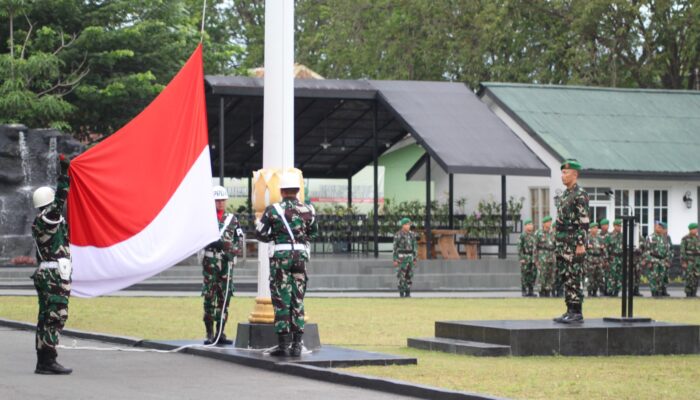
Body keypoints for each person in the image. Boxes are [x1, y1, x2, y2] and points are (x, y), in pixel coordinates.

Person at [256, 172, 318, 357]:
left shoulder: (272, 210)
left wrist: (276, 238)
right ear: (298, 191)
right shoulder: (309, 210)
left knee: (282, 299)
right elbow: (313, 234)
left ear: (281, 191)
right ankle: (297, 345)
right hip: (300, 259)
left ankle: (283, 345)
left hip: (280, 260)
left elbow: (260, 234)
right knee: (297, 299)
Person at [31, 154, 72, 374]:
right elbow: (59, 203)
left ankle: (43, 360)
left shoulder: (41, 221)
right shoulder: (48, 219)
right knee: (54, 318)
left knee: (45, 318)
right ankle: (48, 361)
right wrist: (64, 176)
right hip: (53, 278)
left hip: (49, 276)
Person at [201, 185, 243, 345]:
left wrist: (231, 251)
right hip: (210, 261)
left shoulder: (232, 220)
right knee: (209, 295)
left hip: (226, 262)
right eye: (217, 200)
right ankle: (209, 333)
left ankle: (221, 332)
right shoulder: (205, 219)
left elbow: (239, 240)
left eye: (222, 200)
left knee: (224, 296)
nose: (220, 203)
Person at [553, 159, 590, 323]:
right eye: (562, 172)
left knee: (574, 276)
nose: (562, 175)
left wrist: (581, 243)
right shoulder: (565, 194)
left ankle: (577, 311)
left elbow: (584, 221)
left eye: (565, 172)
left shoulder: (580, 194)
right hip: (562, 243)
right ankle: (569, 309)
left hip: (574, 243)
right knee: (566, 276)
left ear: (574, 174)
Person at [643, 221, 671, 297]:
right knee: (653, 277)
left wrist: (667, 260)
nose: (658, 228)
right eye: (657, 227)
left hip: (662, 261)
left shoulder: (665, 238)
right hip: (653, 260)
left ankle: (659, 292)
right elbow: (646, 251)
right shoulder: (650, 237)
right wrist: (649, 261)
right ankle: (654, 293)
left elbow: (668, 250)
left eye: (660, 228)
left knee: (661, 278)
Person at [393, 217, 417, 298]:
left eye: (409, 224)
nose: (408, 226)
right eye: (406, 224)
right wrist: (395, 259)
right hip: (401, 258)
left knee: (409, 275)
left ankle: (408, 291)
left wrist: (414, 258)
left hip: (410, 257)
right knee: (401, 276)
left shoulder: (412, 234)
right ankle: (401, 292)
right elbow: (395, 248)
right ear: (403, 225)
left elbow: (414, 247)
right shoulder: (398, 234)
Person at [533, 216, 556, 297]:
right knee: (542, 275)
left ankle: (548, 290)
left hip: (551, 256)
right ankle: (541, 291)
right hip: (542, 257)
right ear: (544, 223)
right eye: (548, 222)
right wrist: (535, 260)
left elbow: (555, 246)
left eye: (550, 222)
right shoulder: (538, 233)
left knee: (551, 275)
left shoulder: (552, 233)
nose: (549, 223)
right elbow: (535, 247)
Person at [584, 223, 606, 297]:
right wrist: (588, 247)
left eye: (596, 228)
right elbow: (584, 248)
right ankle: (590, 291)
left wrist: (602, 249)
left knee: (599, 275)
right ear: (591, 229)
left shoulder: (600, 238)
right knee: (591, 276)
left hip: (598, 259)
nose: (596, 229)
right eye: (594, 228)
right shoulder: (587, 238)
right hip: (590, 259)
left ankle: (596, 291)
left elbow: (603, 248)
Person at [518, 219, 537, 297]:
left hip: (533, 258)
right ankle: (524, 290)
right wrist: (521, 258)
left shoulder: (534, 236)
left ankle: (531, 290)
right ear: (525, 226)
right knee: (525, 274)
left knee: (533, 274)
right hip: (526, 257)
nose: (530, 226)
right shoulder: (522, 236)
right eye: (529, 224)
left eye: (531, 224)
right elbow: (519, 247)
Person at [680, 222, 700, 297]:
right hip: (689, 261)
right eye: (695, 229)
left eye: (697, 229)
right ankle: (688, 293)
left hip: (697, 261)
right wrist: (684, 262)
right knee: (689, 277)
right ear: (691, 229)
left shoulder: (698, 238)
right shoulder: (685, 238)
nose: (696, 230)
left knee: (696, 277)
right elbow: (682, 251)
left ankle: (694, 292)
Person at [605, 219, 623, 296]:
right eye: (618, 226)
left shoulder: (623, 236)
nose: (619, 227)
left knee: (619, 275)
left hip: (621, 258)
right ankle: (610, 291)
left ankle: (617, 291)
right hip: (612, 258)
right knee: (611, 275)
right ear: (614, 226)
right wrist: (606, 259)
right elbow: (606, 248)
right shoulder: (609, 236)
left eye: (620, 226)